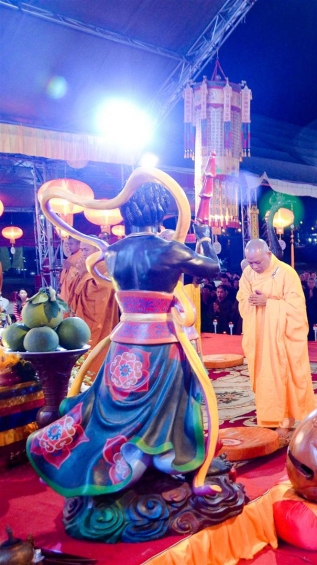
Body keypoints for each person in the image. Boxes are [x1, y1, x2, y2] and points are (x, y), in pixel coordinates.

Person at [27, 180, 223, 497]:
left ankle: (108, 459)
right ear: (161, 211)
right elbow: (213, 269)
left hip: (124, 342)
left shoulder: (113, 252)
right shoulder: (169, 249)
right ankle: (158, 455)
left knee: (114, 401)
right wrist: (204, 237)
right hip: (162, 344)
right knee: (167, 401)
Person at [237, 239, 316, 429]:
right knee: (263, 378)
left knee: (284, 375)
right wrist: (251, 301)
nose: (254, 267)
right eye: (250, 262)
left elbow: (297, 309)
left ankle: (286, 418)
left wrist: (268, 303)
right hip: (259, 336)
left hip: (282, 338)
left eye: (258, 262)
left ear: (269, 254)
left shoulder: (286, 273)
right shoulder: (248, 274)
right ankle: (268, 417)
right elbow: (242, 299)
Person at [68, 242, 121, 381]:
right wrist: (81, 275)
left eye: (86, 250)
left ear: (98, 250)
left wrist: (84, 275)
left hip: (99, 318)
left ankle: (92, 379)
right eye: (82, 250)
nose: (83, 253)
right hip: (82, 316)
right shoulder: (86, 266)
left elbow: (99, 293)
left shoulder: (105, 267)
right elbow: (73, 292)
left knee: (94, 348)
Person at [59, 237, 82, 301]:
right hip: (66, 289)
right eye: (68, 244)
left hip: (73, 291)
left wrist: (70, 268)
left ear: (79, 244)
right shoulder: (71, 257)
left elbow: (83, 275)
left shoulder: (82, 256)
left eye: (71, 244)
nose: (69, 246)